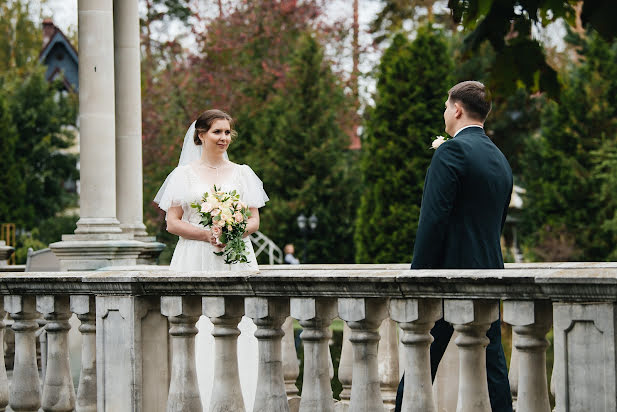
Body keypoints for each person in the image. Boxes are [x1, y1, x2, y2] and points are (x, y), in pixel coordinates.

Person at [395, 81, 513, 412]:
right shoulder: (499, 157)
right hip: (490, 274)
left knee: (420, 363)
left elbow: (433, 220)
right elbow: (496, 224)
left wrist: (418, 277)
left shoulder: (452, 151)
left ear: (457, 109)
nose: (445, 112)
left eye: (447, 107)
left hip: (450, 278)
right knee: (494, 368)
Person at [154, 109, 269, 411]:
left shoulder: (243, 173)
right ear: (201, 135)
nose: (224, 138)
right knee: (198, 326)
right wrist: (206, 234)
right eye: (217, 132)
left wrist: (232, 230)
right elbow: (172, 222)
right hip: (195, 255)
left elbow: (255, 220)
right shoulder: (183, 175)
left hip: (236, 256)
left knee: (239, 324)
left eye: (228, 132)